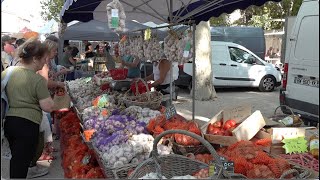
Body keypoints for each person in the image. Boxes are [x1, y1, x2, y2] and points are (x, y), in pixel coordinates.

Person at [1, 38, 54, 178]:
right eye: (43, 59)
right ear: (35, 59)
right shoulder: (37, 80)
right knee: (21, 162)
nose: (45, 63)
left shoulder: (9, 72)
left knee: (16, 159)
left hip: (9, 122)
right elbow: (47, 107)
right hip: (27, 125)